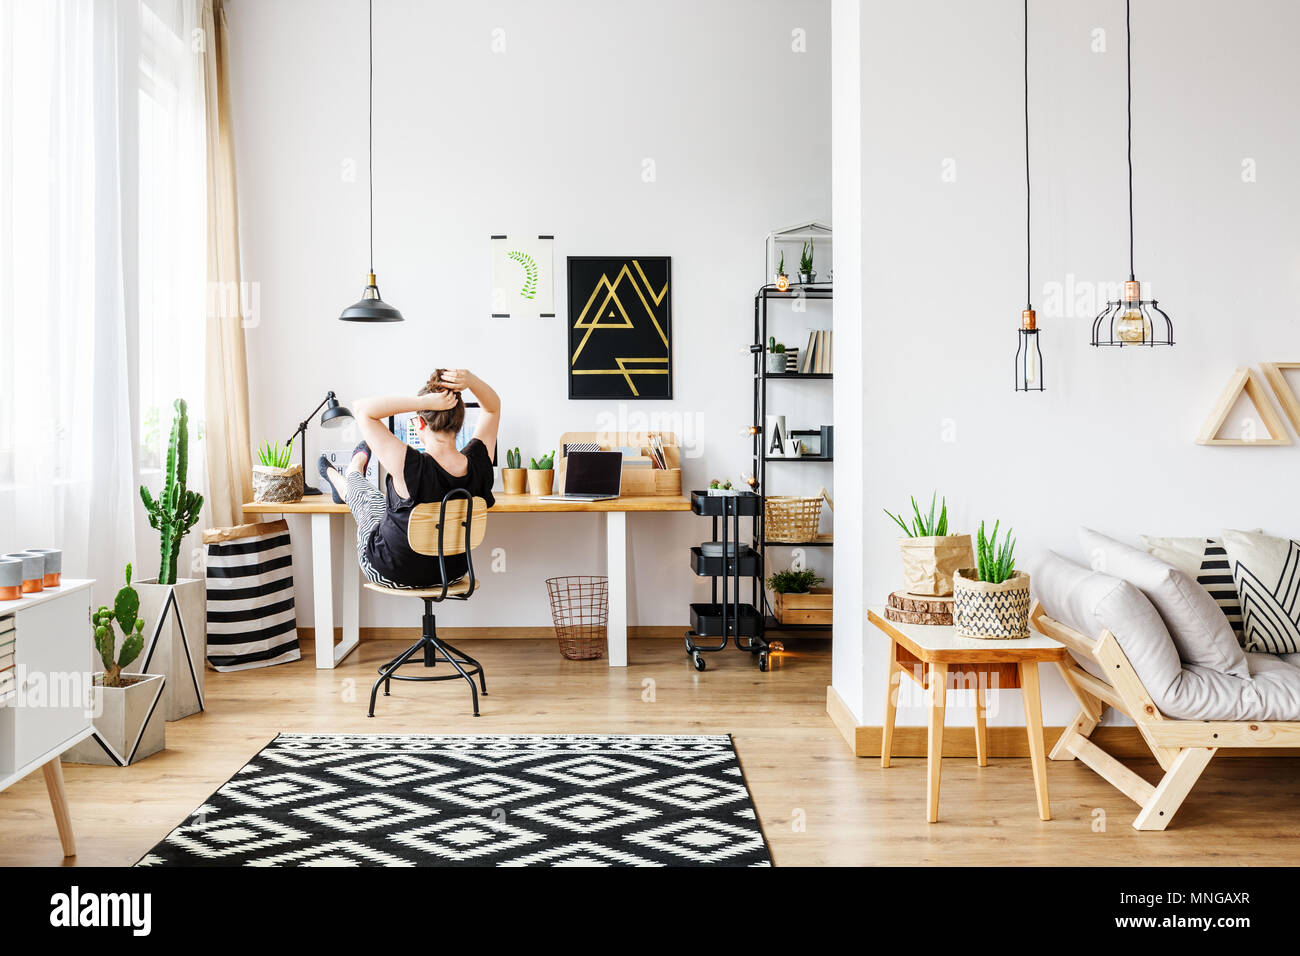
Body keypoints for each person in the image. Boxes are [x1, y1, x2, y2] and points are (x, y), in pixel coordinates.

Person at [319, 369, 499, 588]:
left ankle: (351, 472)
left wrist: (421, 402)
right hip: (451, 574)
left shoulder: (410, 465)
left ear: (420, 423)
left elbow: (361, 409)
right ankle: (348, 481)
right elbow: (492, 409)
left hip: (391, 573)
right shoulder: (479, 464)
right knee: (379, 502)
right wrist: (472, 380)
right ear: (460, 422)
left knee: (369, 502)